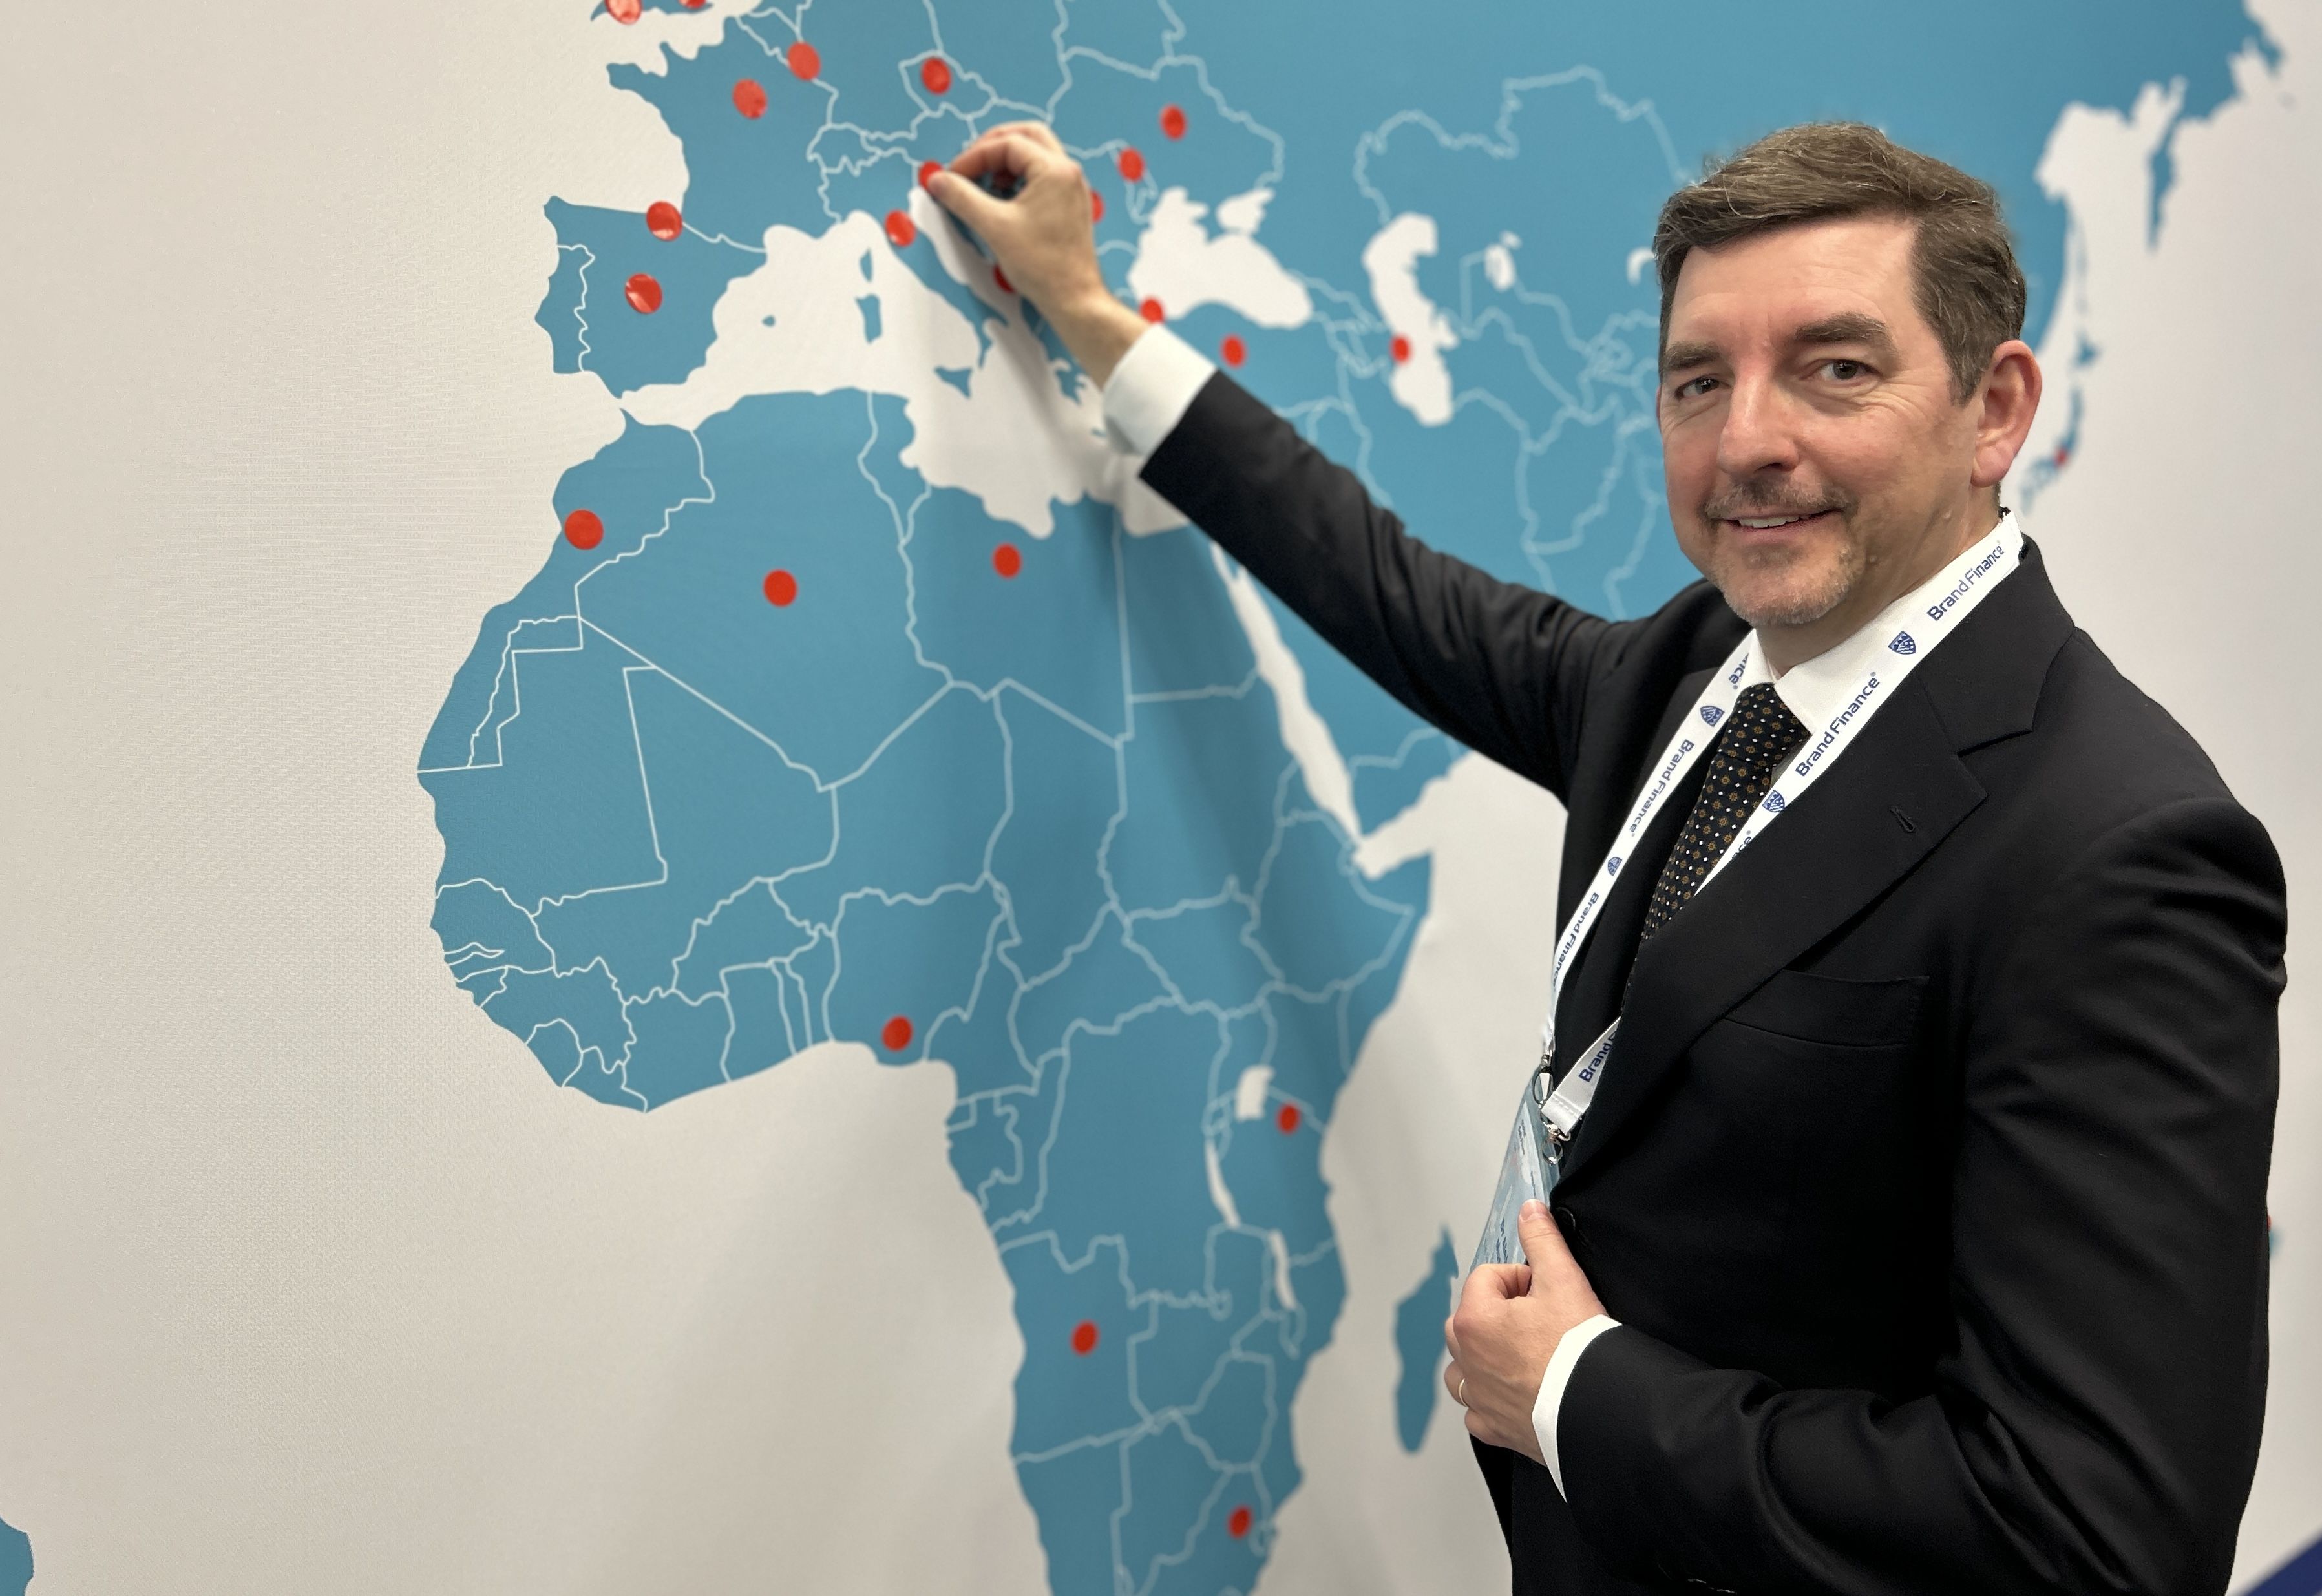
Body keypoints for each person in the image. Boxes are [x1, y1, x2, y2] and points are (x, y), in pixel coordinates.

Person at [925, 121, 2285, 1595]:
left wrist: (1576, 1392)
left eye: (1834, 368)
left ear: (1992, 408)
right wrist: (1084, 311)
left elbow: (2093, 1536)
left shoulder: (2115, 853)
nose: (1745, 440)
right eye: (1697, 380)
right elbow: (1387, 586)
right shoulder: (1696, 675)